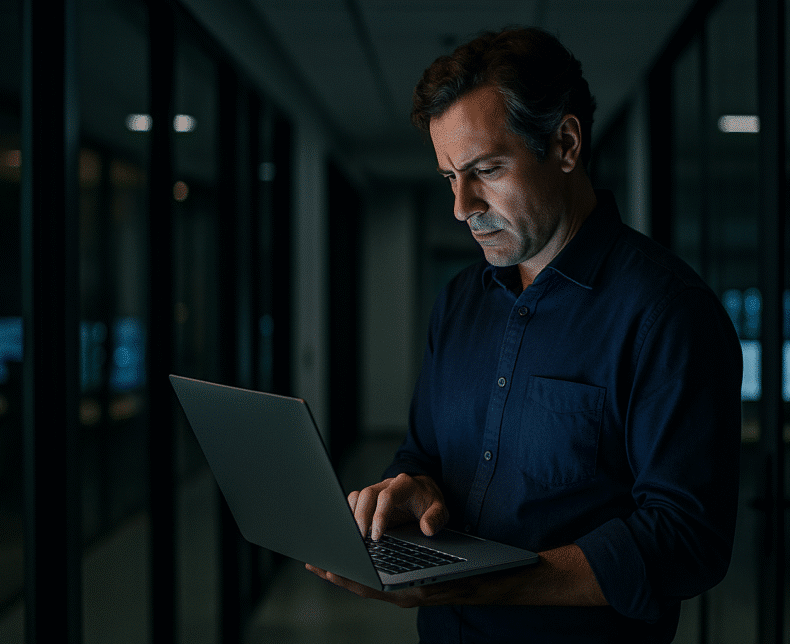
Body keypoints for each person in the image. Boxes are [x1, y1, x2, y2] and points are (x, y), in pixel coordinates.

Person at [306, 26, 743, 643]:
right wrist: (410, 488)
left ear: (564, 144)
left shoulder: (668, 313)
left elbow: (686, 540)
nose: (461, 205)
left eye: (485, 169)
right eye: (449, 177)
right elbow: (422, 452)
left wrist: (480, 582)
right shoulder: (459, 300)